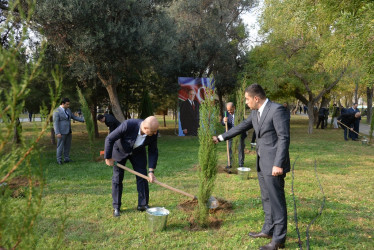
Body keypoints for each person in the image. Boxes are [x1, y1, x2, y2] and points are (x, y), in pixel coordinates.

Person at [212, 84, 290, 250]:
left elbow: (284, 138)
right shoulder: (255, 112)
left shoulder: (277, 110)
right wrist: (220, 137)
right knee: (266, 198)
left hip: (274, 165)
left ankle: (279, 240)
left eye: (247, 99)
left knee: (277, 201)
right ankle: (268, 230)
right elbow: (241, 126)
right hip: (262, 163)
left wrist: (278, 164)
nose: (246, 102)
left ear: (256, 98)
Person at [104, 116, 159, 217]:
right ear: (145, 128)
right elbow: (110, 138)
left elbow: (153, 151)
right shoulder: (128, 125)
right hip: (120, 150)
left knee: (142, 176)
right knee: (117, 178)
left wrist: (151, 172)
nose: (155, 133)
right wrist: (108, 157)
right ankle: (116, 207)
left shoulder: (154, 132)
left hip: (138, 151)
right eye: (153, 131)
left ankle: (142, 204)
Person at [53, 98, 84, 165]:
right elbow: (55, 123)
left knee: (67, 145)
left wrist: (83, 120)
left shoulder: (68, 110)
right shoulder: (56, 111)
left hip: (68, 131)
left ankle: (66, 158)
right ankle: (59, 160)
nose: (68, 106)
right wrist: (57, 132)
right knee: (60, 146)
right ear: (63, 104)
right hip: (61, 132)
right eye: (67, 104)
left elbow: (74, 117)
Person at [222, 102, 247, 171]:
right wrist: (224, 121)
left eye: (231, 110)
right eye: (228, 110)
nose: (229, 112)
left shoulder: (239, 114)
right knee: (229, 148)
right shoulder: (226, 114)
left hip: (239, 134)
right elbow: (222, 123)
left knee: (240, 148)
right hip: (230, 134)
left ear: (234, 108)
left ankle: (240, 164)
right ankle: (229, 163)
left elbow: (243, 124)